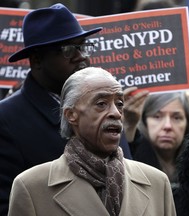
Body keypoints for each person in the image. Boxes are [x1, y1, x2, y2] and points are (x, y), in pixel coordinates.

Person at [0, 4, 131, 215]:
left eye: (83, 46)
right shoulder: (7, 119)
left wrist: (134, 132)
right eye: (69, 50)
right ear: (37, 60)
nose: (81, 57)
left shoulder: (110, 104)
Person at [8, 67, 176, 216]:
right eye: (101, 104)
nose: (116, 113)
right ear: (71, 115)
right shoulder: (32, 187)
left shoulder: (157, 183)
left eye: (119, 103)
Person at [123, 89, 189, 188]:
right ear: (145, 122)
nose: (167, 126)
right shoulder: (134, 157)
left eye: (176, 118)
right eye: (157, 116)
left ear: (187, 124)